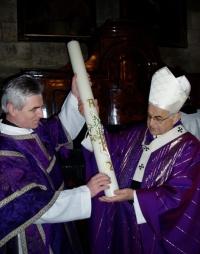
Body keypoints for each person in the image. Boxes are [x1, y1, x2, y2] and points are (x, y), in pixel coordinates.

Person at [81, 66, 200, 254]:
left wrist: (134, 196)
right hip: (123, 218)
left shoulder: (189, 147)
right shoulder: (138, 132)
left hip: (152, 227)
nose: (151, 123)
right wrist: (93, 120)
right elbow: (111, 148)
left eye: (159, 118)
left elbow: (179, 195)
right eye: (149, 115)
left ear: (176, 117)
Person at [0, 74, 110, 253]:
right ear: (12, 109)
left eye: (40, 107)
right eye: (34, 109)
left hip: (60, 218)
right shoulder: (5, 152)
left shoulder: (34, 127)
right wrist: (84, 192)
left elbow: (59, 128)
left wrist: (75, 95)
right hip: (34, 231)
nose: (40, 114)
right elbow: (30, 204)